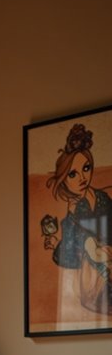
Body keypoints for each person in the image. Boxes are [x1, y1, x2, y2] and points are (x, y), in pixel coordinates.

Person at [42, 122, 112, 315]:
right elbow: (72, 256)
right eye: (73, 173)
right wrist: (58, 244)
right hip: (95, 279)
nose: (82, 177)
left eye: (86, 168)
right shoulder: (73, 210)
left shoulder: (103, 198)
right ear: (64, 178)